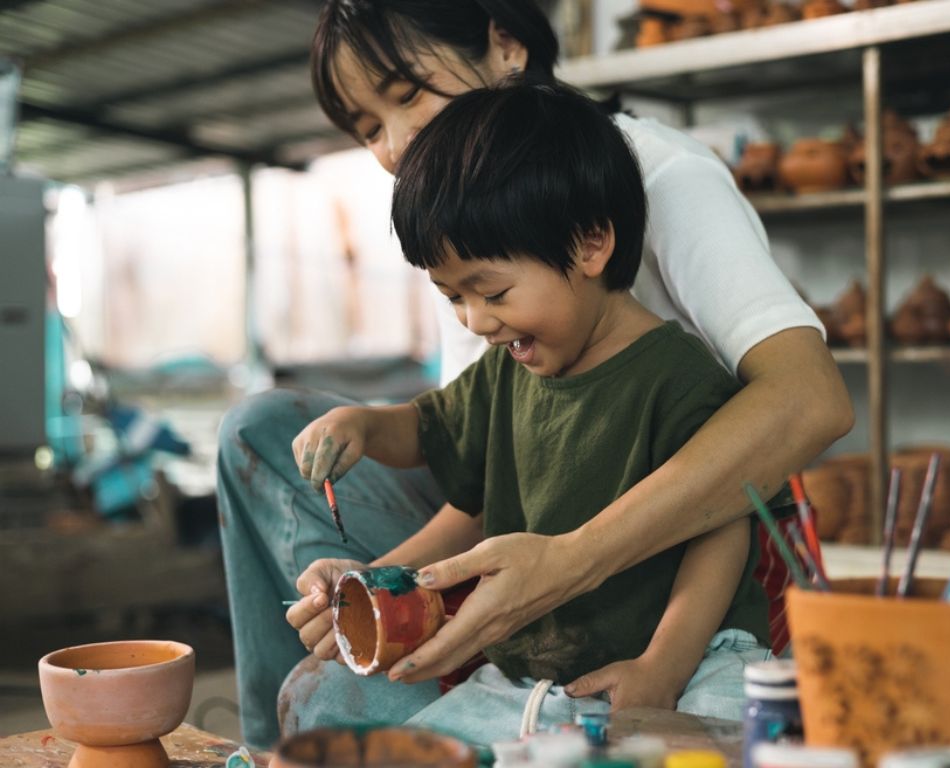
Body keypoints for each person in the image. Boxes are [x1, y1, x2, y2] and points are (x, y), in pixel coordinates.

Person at [216, 0, 853, 750]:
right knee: (259, 440)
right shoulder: (471, 242)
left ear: (507, 46)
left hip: (667, 564)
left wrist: (573, 564)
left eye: (407, 93)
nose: (395, 145)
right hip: (530, 551)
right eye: (366, 129)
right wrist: (374, 578)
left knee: (691, 732)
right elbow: (490, 482)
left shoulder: (657, 186)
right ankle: (275, 744)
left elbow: (807, 402)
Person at [282, 80, 783, 745]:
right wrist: (367, 426)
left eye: (490, 290)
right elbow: (429, 431)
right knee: (418, 753)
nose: (475, 320)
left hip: (689, 658)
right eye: (451, 296)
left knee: (718, 740)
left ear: (589, 245)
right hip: (533, 680)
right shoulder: (507, 373)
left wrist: (662, 667)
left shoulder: (677, 375)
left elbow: (720, 530)